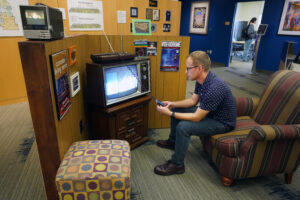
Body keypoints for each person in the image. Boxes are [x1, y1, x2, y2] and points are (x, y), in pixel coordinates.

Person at [154, 51, 237, 176]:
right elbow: (193, 101)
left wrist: (169, 114)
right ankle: (173, 142)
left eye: (188, 68)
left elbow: (197, 117)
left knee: (183, 127)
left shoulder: (214, 88)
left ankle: (177, 165)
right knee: (176, 109)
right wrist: (172, 104)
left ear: (199, 68)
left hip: (222, 122)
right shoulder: (201, 80)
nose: (185, 72)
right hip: (209, 113)